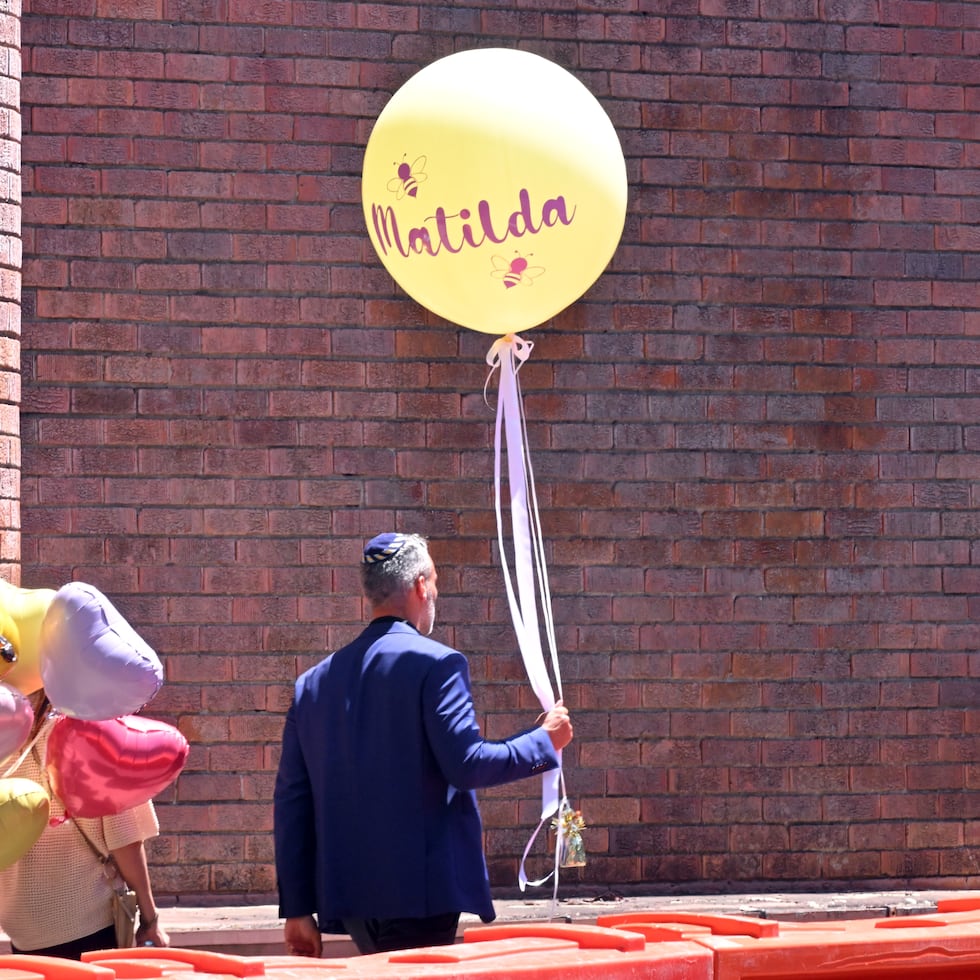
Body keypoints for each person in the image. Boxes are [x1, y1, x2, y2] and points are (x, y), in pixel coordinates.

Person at [274, 532, 573, 956]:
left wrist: (298, 909)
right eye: (434, 581)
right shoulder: (438, 664)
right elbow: (467, 764)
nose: (435, 591)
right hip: (422, 889)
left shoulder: (312, 684)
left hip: (351, 892)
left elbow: (292, 801)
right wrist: (543, 743)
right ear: (418, 585)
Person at [0, 689, 170, 958]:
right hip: (87, 920)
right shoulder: (93, 732)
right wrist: (150, 918)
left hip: (21, 925)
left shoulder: (4, 737)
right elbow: (124, 839)